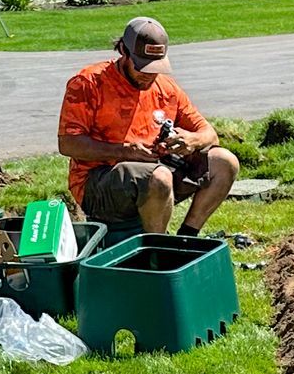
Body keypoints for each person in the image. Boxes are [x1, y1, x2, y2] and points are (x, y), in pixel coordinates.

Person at [56, 17, 238, 236]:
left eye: (155, 67)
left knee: (225, 162)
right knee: (159, 177)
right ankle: (157, 249)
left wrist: (191, 140)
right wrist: (124, 151)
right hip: (98, 182)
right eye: (142, 66)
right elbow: (68, 144)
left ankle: (187, 237)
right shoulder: (89, 83)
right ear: (123, 50)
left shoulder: (166, 88)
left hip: (156, 174)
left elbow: (209, 134)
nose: (149, 75)